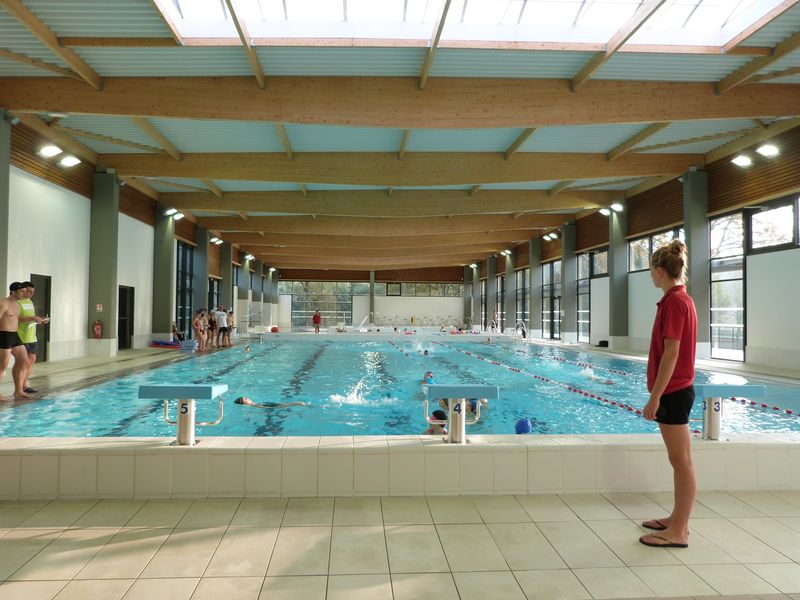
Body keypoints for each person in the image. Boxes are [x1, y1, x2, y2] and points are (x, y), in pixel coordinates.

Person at [639, 240, 697, 550]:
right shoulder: (680, 298)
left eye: (651, 271)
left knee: (681, 461)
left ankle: (679, 531)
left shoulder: (674, 302)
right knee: (680, 460)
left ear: (660, 271)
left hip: (673, 391)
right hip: (678, 389)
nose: (651, 276)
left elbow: (671, 353)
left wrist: (655, 397)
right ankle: (677, 520)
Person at [0, 282, 42, 400]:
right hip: (4, 335)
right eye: (22, 291)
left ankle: (18, 391)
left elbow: (16, 320)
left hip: (15, 335)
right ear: (13, 292)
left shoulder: (17, 305)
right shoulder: (4, 303)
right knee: (2, 366)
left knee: (24, 360)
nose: (25, 293)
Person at [17, 281, 48, 394]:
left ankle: (25, 385)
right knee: (23, 362)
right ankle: (19, 388)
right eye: (28, 291)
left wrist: (39, 319)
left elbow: (31, 318)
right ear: (23, 290)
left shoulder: (30, 302)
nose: (30, 294)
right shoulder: (17, 302)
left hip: (32, 336)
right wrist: (33, 318)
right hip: (21, 336)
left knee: (32, 360)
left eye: (32, 292)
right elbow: (17, 318)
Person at [234, 396, 306, 408]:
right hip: (273, 406)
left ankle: (298, 403)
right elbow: (266, 408)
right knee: (285, 405)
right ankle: (298, 403)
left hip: (269, 404)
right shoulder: (256, 405)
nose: (247, 397)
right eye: (245, 398)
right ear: (245, 403)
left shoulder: (254, 404)